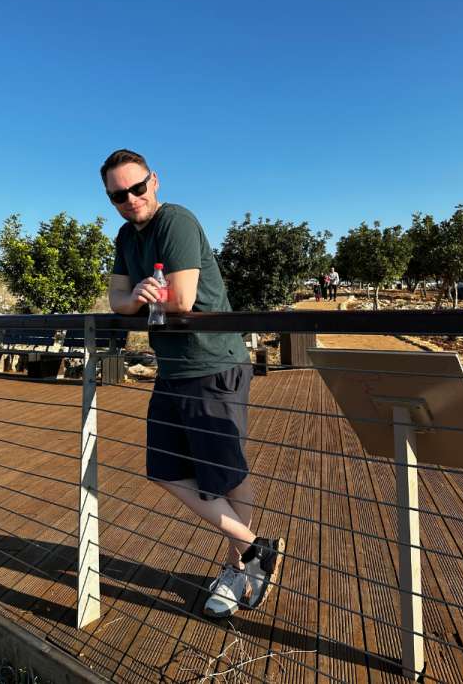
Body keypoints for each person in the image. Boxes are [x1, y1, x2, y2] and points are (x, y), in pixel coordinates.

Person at [102, 148, 284, 619]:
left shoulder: (176, 222)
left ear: (154, 181)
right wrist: (135, 299)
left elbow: (181, 298)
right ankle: (254, 549)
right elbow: (116, 298)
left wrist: (138, 297)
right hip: (175, 368)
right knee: (165, 469)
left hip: (212, 363)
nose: (130, 199)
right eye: (118, 194)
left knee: (223, 475)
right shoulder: (126, 235)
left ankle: (239, 568)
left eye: (137, 187)